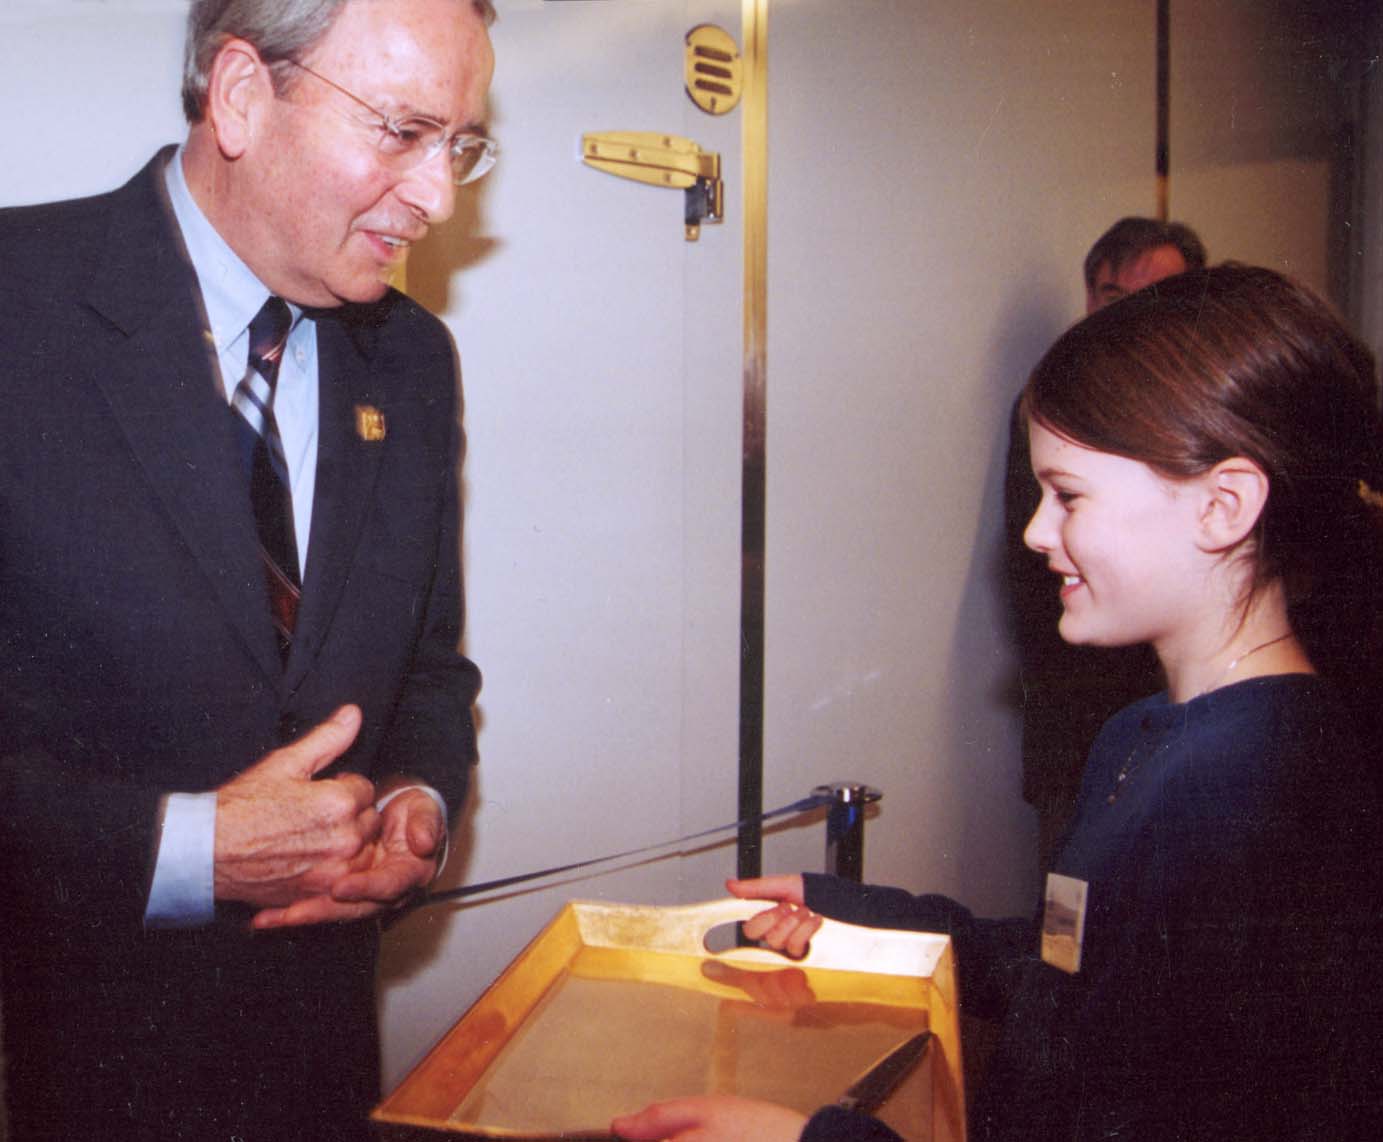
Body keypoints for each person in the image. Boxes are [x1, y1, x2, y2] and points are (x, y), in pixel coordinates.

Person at [613, 265, 1383, 1142]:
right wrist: (865, 920)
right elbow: (1069, 973)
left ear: (1223, 505)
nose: (1034, 531)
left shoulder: (1255, 801)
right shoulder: (1146, 735)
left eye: (1069, 496)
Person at [0, 1, 494, 1138]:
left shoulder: (413, 362)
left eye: (460, 144)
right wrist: (187, 849)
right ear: (239, 95)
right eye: (401, 132)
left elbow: (429, 664)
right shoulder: (14, 309)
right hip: (65, 1070)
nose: (439, 197)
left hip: (321, 1070)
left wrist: (417, 805)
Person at [1006, 216, 1206, 868]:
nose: (1136, 315)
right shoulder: (1054, 405)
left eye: (1161, 294)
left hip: (1186, 712)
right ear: (1090, 298)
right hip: (1086, 718)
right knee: (1070, 924)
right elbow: (1033, 571)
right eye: (1115, 297)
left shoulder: (1214, 411)